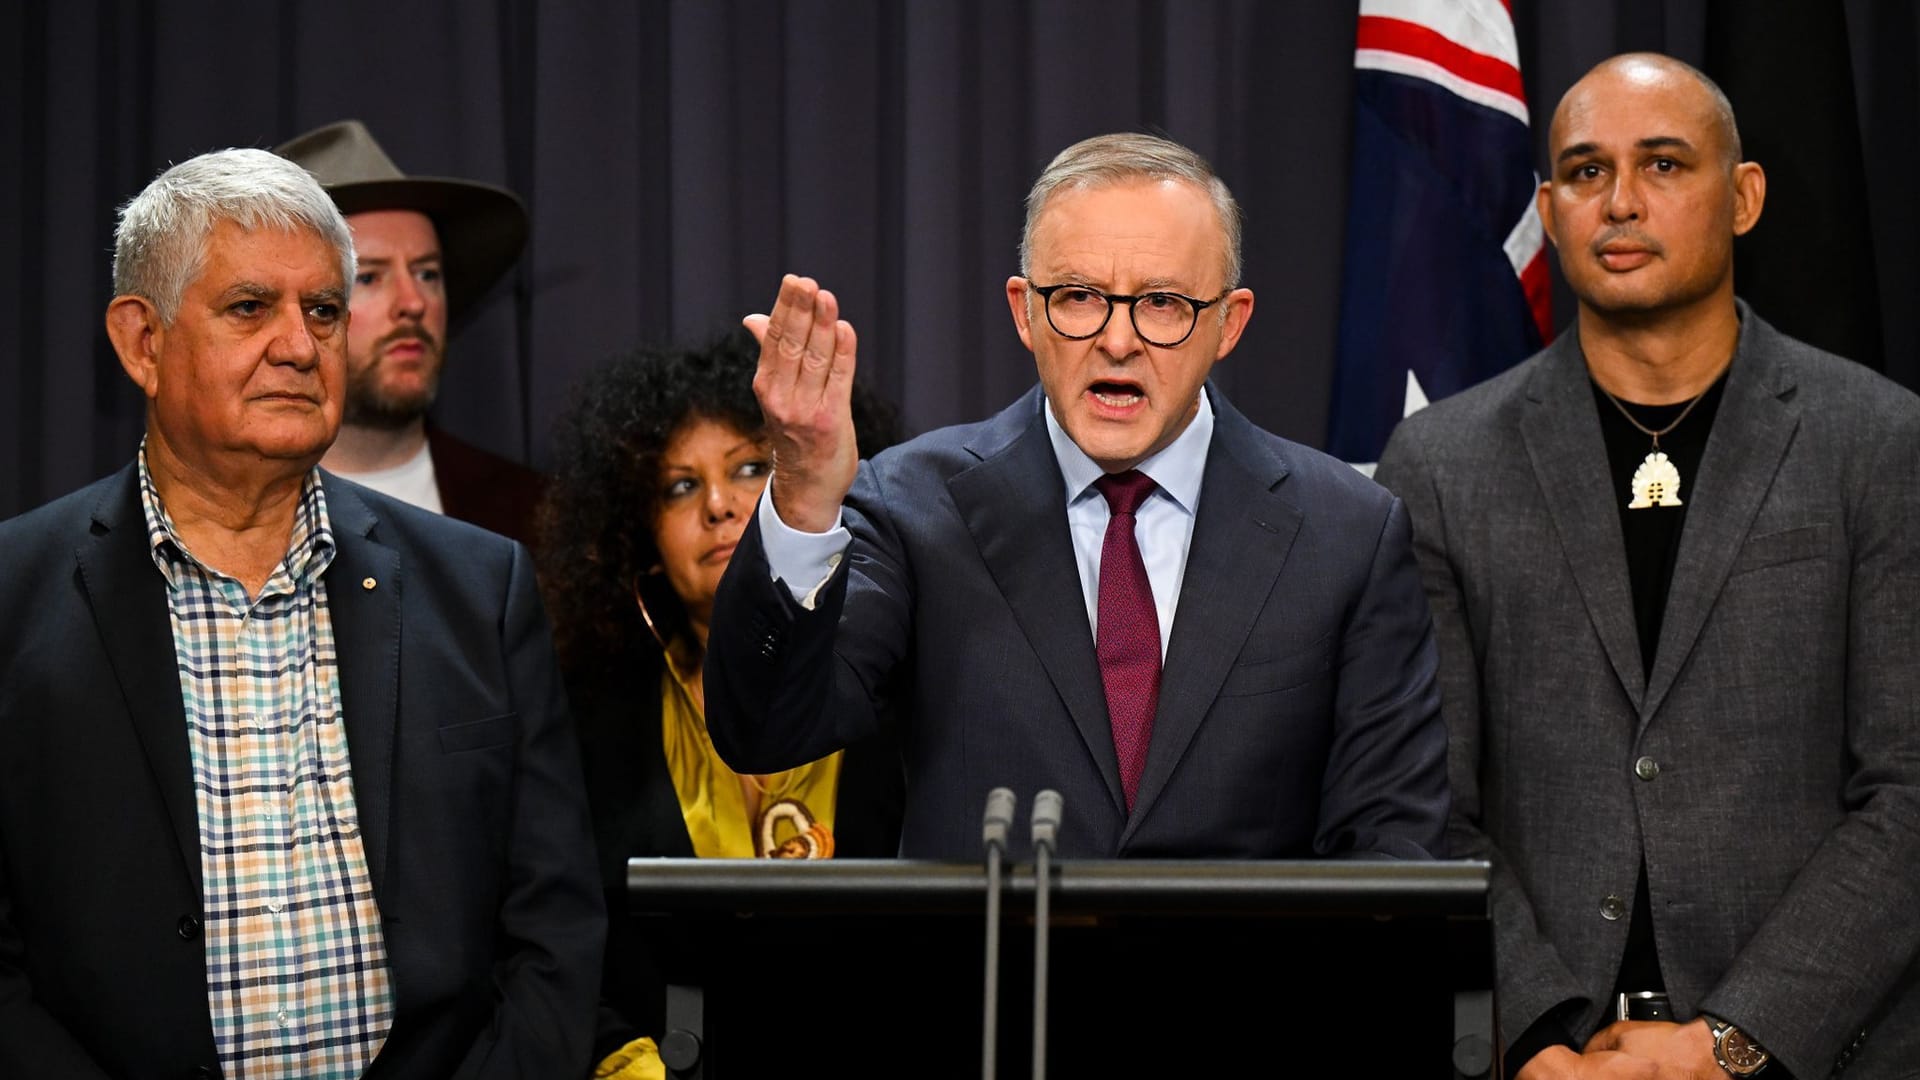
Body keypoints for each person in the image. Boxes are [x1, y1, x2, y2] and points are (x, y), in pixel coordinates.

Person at [0, 148, 603, 1079]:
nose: (298, 345)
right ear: (142, 343)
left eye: (323, 311)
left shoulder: (481, 589)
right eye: (250, 308)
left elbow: (555, 925)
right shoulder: (14, 597)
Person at [1375, 53, 1920, 1079]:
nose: (1620, 202)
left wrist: (1727, 1045)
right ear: (1548, 205)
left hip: (1813, 1057)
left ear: (1744, 196)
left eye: (1663, 165)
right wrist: (1533, 1034)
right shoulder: (1440, 466)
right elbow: (1421, 812)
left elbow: (1910, 793)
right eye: (1585, 173)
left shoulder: (1882, 444)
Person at [704, 131, 1449, 863]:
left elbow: (1391, 846)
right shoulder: (912, 506)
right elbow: (766, 733)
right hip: (992, 982)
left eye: (1161, 302)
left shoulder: (1346, 531)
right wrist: (802, 493)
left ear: (1229, 323)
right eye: (1081, 296)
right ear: (1025, 311)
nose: (1117, 341)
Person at [534, 327, 906, 1078]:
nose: (718, 506)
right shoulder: (584, 713)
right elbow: (557, 941)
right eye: (680, 486)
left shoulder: (905, 678)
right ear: (635, 533)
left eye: (748, 468)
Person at [274, 118, 546, 548]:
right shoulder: (229, 517)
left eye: (427, 273)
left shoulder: (532, 514)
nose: (413, 302)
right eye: (368, 277)